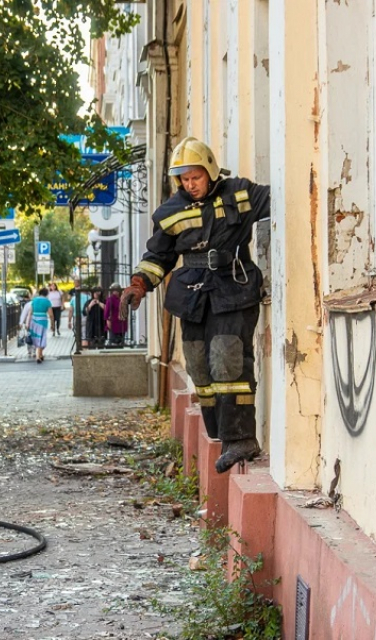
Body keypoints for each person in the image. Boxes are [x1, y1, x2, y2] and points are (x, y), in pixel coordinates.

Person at [119, 137, 271, 474]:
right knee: (200, 365)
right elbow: (158, 256)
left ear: (210, 171)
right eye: (184, 179)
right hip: (192, 294)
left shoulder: (240, 194)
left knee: (227, 358)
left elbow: (280, 199)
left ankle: (241, 438)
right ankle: (219, 433)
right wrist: (139, 285)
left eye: (196, 177)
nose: (191, 185)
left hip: (233, 287)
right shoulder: (171, 212)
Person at [26, 287, 54, 363]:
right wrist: (52, 324)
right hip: (43, 321)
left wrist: (28, 323)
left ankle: (40, 355)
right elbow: (51, 314)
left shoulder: (34, 300)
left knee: (36, 337)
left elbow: (30, 312)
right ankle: (38, 356)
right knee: (42, 338)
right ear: (47, 294)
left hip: (34, 321)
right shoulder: (47, 301)